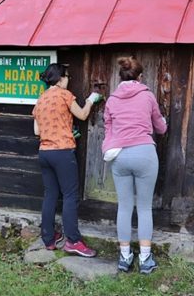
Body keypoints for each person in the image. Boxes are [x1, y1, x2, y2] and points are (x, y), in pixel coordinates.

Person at [103, 56, 167, 274]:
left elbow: (108, 129)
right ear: (140, 77)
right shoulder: (147, 96)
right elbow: (160, 127)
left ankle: (124, 257)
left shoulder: (112, 100)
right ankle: (145, 259)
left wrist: (109, 147)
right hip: (145, 154)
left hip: (120, 156)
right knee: (144, 207)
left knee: (124, 206)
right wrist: (163, 123)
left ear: (120, 76)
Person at [32, 63, 102, 258]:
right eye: (67, 76)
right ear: (61, 78)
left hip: (45, 152)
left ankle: (48, 238)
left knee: (50, 194)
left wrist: (61, 129)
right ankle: (73, 241)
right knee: (70, 196)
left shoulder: (41, 99)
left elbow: (37, 131)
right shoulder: (64, 95)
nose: (69, 79)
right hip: (62, 151)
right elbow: (82, 114)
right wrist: (91, 100)